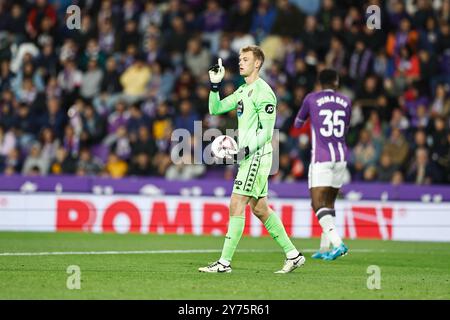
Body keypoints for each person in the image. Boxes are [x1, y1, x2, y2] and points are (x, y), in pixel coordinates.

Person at [199, 46, 305, 274]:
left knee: (236, 204)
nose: (240, 63)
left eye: (245, 59)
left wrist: (243, 150)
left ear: (257, 63)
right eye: (239, 59)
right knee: (260, 209)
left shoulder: (264, 93)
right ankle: (293, 255)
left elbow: (267, 133)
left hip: (256, 156)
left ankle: (224, 263)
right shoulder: (242, 91)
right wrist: (215, 86)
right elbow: (214, 109)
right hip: (249, 157)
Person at [293, 69, 351, 261]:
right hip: (341, 157)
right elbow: (346, 127)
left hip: (322, 157)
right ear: (336, 81)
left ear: (319, 82)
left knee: (317, 203)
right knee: (329, 203)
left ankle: (338, 244)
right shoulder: (346, 101)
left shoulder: (311, 99)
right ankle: (325, 248)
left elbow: (298, 123)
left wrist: (310, 118)